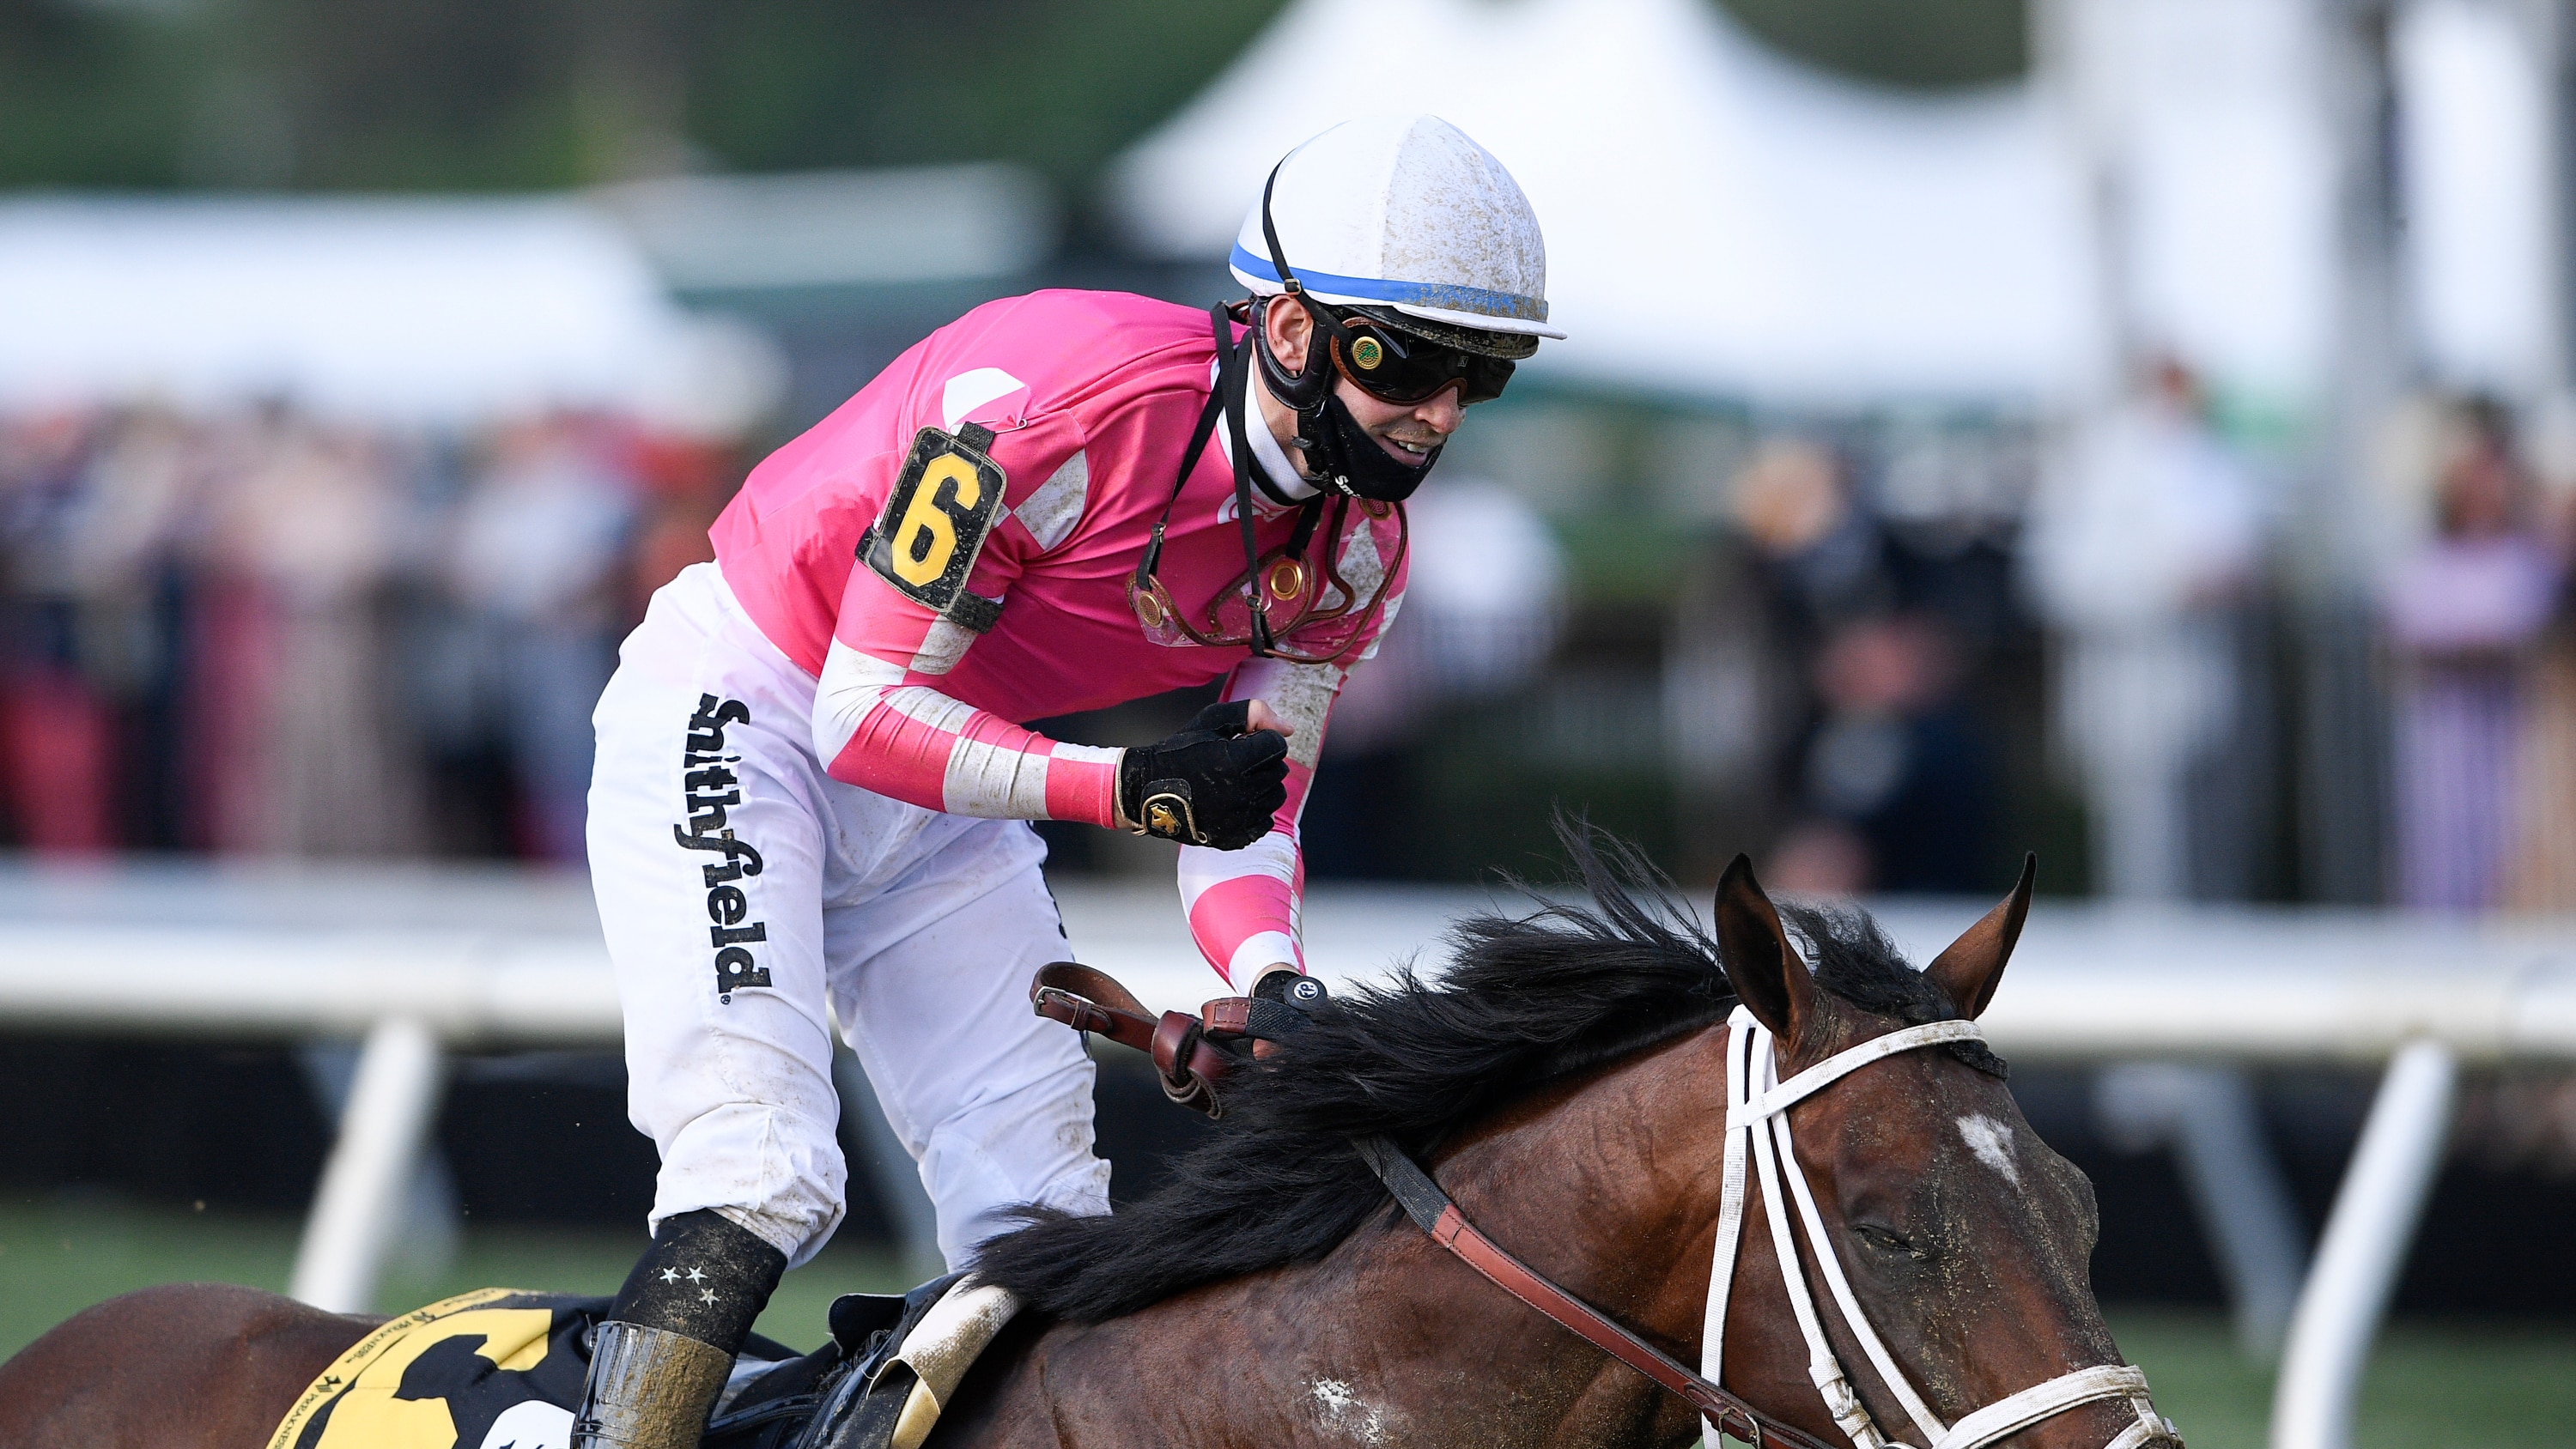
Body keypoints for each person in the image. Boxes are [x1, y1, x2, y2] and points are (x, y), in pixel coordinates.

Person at [573, 114, 1559, 1447]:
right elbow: (858, 718)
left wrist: (1272, 983)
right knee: (763, 1173)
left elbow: (1246, 812)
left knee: (1044, 1226)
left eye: (1478, 377)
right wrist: (1127, 784)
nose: (1438, 412)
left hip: (947, 774)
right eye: (1410, 360)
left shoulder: (1361, 554)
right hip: (749, 709)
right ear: (1286, 332)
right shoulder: (1048, 406)